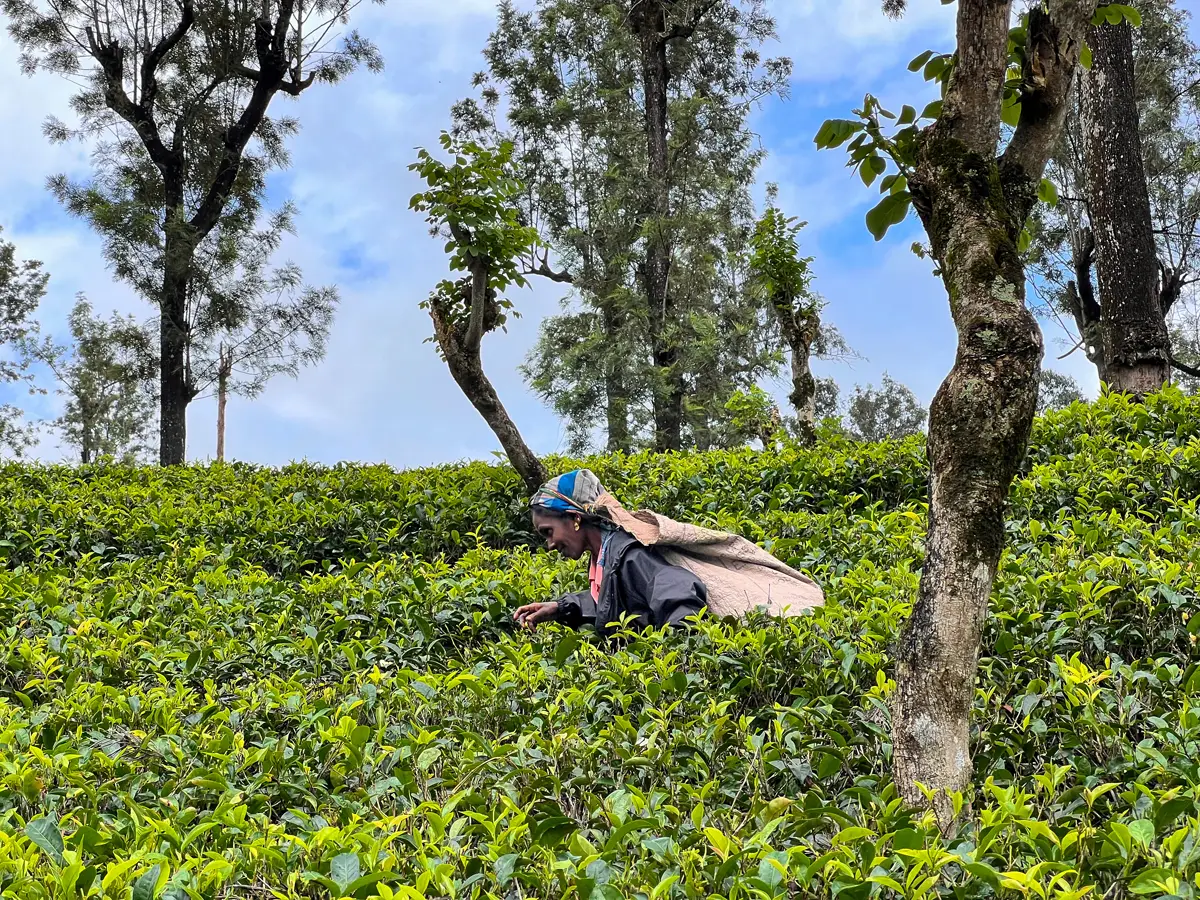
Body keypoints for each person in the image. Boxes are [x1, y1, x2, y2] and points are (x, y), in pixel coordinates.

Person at [514, 469, 707, 634]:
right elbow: (610, 601)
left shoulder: (629, 555)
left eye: (549, 532)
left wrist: (676, 651)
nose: (550, 545)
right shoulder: (604, 555)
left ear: (575, 519)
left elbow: (677, 587)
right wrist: (560, 608)